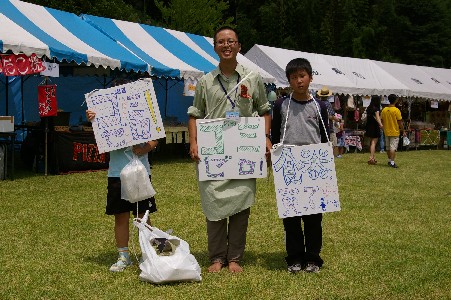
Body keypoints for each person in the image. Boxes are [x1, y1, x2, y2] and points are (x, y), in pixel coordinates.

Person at [187, 26, 272, 273]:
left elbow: (265, 110)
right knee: (213, 203)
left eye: (231, 41)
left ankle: (234, 257)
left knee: (240, 205)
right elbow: (195, 114)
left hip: (244, 150)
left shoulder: (252, 78)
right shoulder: (205, 81)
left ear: (239, 46)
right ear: (215, 47)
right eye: (221, 42)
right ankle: (216, 257)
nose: (226, 45)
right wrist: (193, 142)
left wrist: (265, 138)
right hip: (212, 152)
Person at [86, 96, 158, 272]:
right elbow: (101, 140)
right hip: (117, 173)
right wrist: (94, 120)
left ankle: (148, 252)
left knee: (143, 214)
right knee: (121, 215)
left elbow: (155, 138)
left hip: (140, 172)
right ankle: (123, 256)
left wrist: (144, 149)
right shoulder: (103, 114)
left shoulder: (143, 111)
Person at [271, 58, 329, 274]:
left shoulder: (319, 106)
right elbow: (275, 134)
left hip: (314, 163)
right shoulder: (281, 105)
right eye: (294, 77)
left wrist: (326, 164)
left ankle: (313, 257)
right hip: (288, 163)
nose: (299, 81)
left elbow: (324, 136)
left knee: (314, 217)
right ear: (288, 81)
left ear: (310, 77)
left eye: (302, 76)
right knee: (291, 216)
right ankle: (294, 257)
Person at [380, 94, 405, 168]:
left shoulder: (384, 110)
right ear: (396, 100)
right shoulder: (396, 110)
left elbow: (382, 120)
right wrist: (403, 130)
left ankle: (389, 160)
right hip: (395, 131)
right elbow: (400, 122)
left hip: (386, 131)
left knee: (388, 147)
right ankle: (392, 162)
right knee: (393, 148)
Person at [364, 95, 384, 165]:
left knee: (371, 142)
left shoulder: (369, 108)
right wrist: (381, 125)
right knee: (374, 143)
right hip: (375, 126)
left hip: (369, 126)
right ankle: (371, 158)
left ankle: (373, 157)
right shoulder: (376, 109)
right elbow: (378, 118)